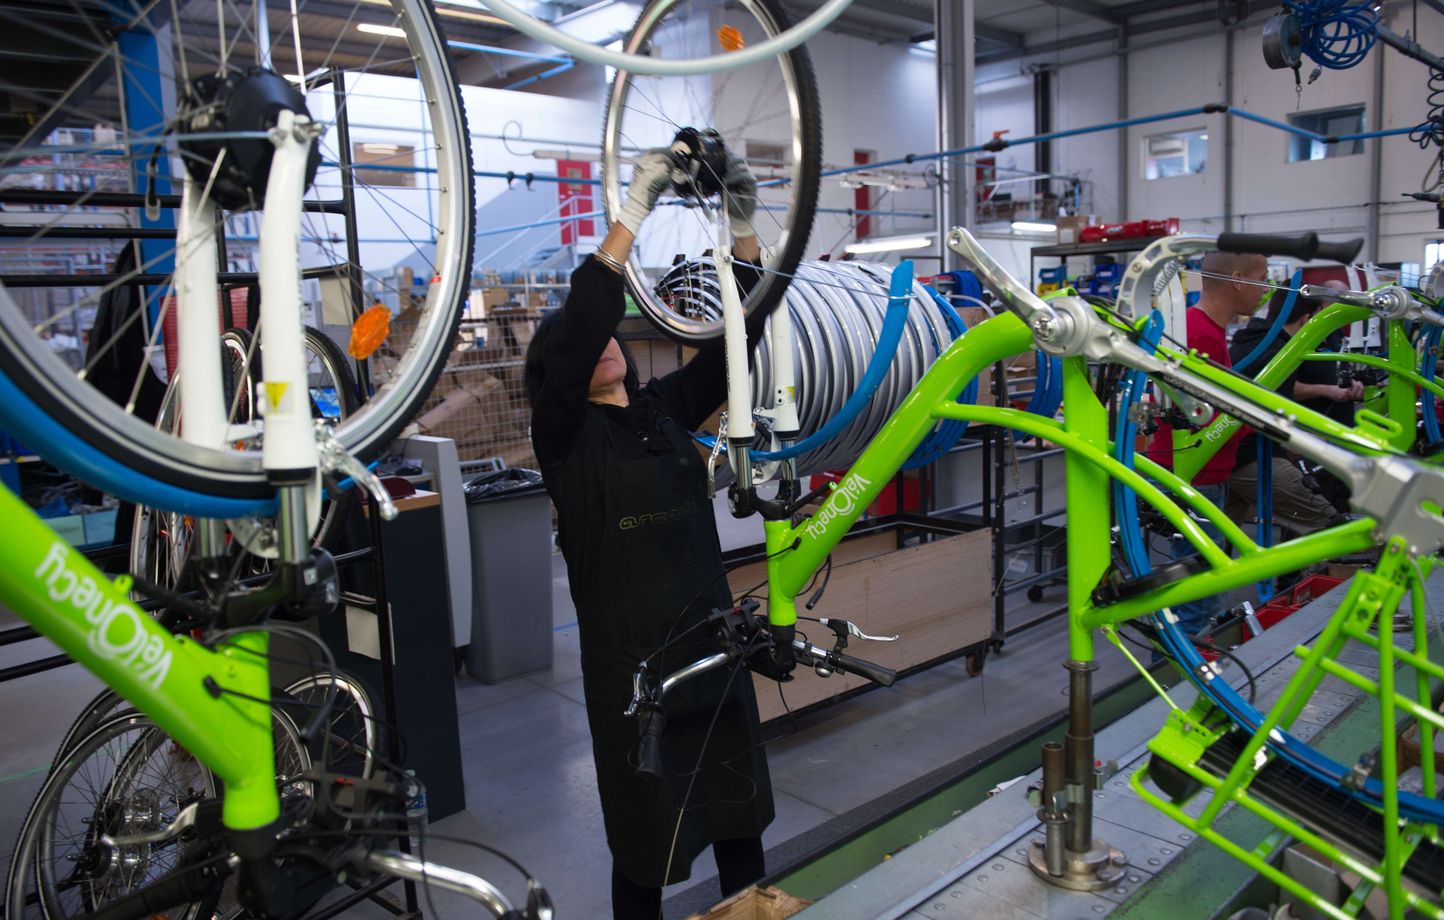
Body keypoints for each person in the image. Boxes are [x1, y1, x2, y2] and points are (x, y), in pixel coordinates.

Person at [525, 140, 776, 920]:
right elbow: (585, 318)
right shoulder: (560, 436)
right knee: (645, 847)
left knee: (739, 822)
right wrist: (635, 210)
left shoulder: (663, 411)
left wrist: (742, 224)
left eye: (611, 335)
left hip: (712, 648)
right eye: (584, 338)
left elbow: (743, 331)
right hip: (636, 681)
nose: (605, 340)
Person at [1145, 250, 1269, 638]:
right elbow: (1202, 418)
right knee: (1196, 595)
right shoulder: (1197, 333)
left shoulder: (1207, 329)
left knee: (1198, 585)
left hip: (1202, 473)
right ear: (1237, 279)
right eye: (1262, 277)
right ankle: (1184, 679)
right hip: (1190, 476)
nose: (1267, 289)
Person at [1224, 290, 1361, 533]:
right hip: (1250, 455)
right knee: (1335, 528)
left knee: (1215, 537)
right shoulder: (1271, 348)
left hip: (1245, 452)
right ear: (1308, 320)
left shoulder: (1268, 342)